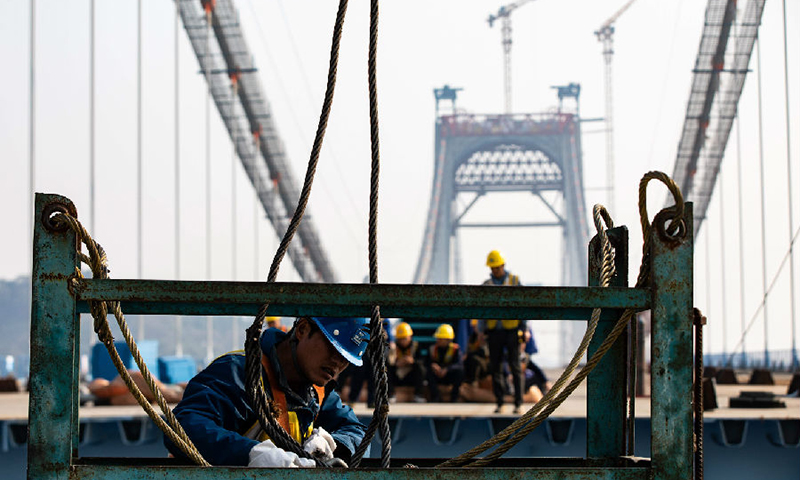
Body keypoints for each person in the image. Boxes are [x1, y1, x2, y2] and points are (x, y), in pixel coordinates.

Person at [164, 317, 369, 468]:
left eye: (345, 359)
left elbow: (357, 432)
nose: (337, 364)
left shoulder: (316, 391)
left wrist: (333, 445)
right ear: (303, 329)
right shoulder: (239, 373)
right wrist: (251, 454)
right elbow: (183, 426)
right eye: (332, 349)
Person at [483, 249, 525, 414]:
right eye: (492, 268)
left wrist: (524, 328)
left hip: (512, 330)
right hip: (494, 331)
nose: (495, 270)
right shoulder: (487, 285)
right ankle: (500, 402)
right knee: (496, 368)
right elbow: (482, 310)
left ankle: (518, 403)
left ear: (503, 265)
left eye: (497, 267)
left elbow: (524, 305)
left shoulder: (514, 281)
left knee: (515, 367)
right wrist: (481, 330)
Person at [387, 322, 426, 402]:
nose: (402, 341)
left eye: (404, 338)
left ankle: (418, 395)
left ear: (410, 337)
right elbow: (389, 362)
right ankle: (391, 394)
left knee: (420, 368)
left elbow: (422, 361)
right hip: (397, 375)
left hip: (411, 376)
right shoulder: (393, 347)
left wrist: (412, 361)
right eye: (400, 339)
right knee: (386, 370)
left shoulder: (416, 346)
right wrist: (397, 364)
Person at [426, 323, 464, 402]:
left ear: (448, 340)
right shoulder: (433, 349)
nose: (438, 340)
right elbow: (426, 362)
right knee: (428, 372)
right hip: (437, 376)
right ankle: (435, 397)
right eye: (438, 338)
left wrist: (447, 369)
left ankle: (454, 397)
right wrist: (433, 366)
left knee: (459, 372)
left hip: (449, 375)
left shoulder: (455, 349)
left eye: (440, 339)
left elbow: (459, 364)